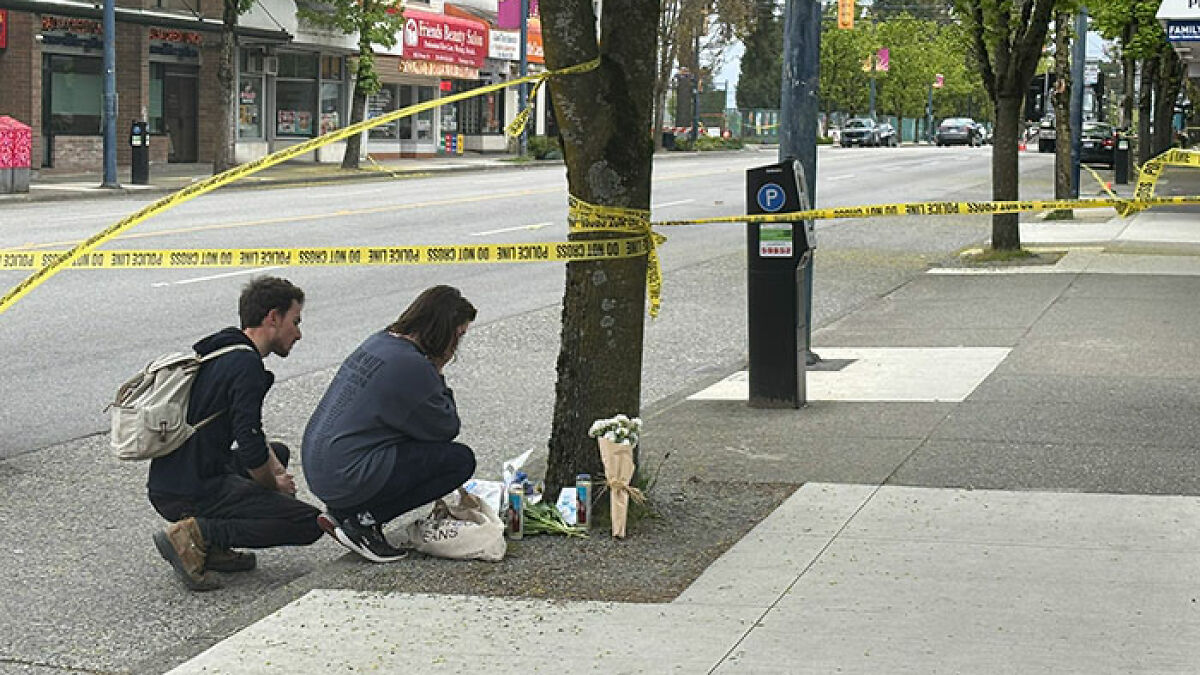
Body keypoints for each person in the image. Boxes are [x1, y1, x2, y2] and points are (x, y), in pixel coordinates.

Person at [148, 276, 323, 591]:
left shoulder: (226, 345)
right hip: (191, 488)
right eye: (295, 322)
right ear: (272, 317)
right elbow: (252, 447)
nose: (298, 333)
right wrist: (276, 485)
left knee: (278, 453)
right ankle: (198, 534)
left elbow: (252, 433)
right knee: (308, 523)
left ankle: (211, 549)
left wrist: (275, 468)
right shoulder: (247, 368)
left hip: (171, 478)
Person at [303, 285, 478, 563]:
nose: (457, 347)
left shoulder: (380, 341)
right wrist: (438, 372)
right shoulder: (414, 366)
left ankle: (345, 511)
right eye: (458, 336)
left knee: (409, 441)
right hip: (347, 474)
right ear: (443, 331)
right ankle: (364, 522)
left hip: (324, 468)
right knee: (458, 460)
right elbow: (446, 427)